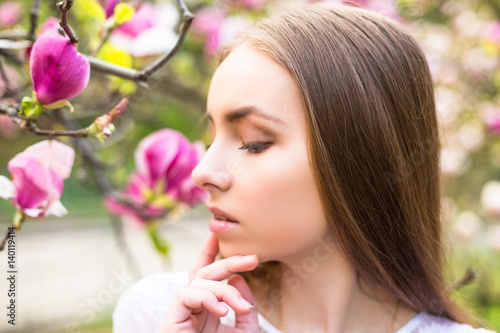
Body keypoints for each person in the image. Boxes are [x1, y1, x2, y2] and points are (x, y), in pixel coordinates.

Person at [112, 4, 497, 333]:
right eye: (212, 138)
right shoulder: (160, 315)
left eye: (253, 142)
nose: (203, 171)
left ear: (361, 158)